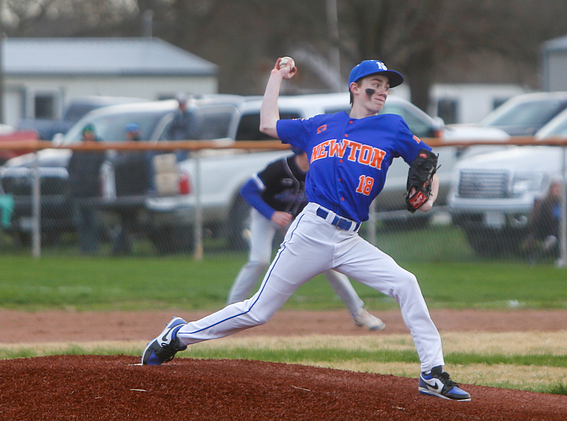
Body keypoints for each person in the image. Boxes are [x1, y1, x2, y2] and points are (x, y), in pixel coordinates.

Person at [142, 59, 471, 401]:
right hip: (312, 231)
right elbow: (268, 123)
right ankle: (176, 337)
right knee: (258, 311)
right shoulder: (321, 125)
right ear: (355, 88)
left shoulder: (392, 126)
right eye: (376, 83)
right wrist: (276, 78)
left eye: (387, 86)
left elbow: (426, 161)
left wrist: (429, 199)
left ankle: (432, 374)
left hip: (349, 238)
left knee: (406, 283)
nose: (383, 91)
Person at [227, 146, 385, 330]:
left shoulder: (321, 171)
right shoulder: (280, 167)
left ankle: (358, 312)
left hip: (296, 221)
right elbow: (248, 190)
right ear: (303, 150)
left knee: (330, 262)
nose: (323, 152)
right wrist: (272, 214)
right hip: (266, 215)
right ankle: (230, 310)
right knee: (259, 261)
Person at [111, 123, 154, 255]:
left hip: (137, 192)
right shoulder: (124, 149)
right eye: (129, 133)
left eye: (133, 133)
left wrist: (150, 188)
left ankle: (121, 248)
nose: (131, 135)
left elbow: (147, 170)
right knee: (126, 221)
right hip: (124, 193)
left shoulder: (141, 149)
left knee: (131, 221)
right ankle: (122, 248)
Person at [67, 124, 105, 254]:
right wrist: (74, 184)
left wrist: (93, 183)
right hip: (79, 192)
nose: (89, 135)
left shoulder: (99, 149)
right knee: (81, 221)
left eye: (90, 132)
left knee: (92, 220)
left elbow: (102, 169)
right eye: (86, 133)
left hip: (93, 192)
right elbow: (70, 168)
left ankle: (93, 247)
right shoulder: (78, 150)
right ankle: (84, 247)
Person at [521, 181, 567, 262]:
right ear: (551, 190)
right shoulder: (545, 203)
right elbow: (541, 220)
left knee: (559, 227)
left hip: (563, 229)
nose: (557, 190)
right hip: (546, 228)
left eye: (559, 188)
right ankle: (536, 254)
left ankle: (557, 254)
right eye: (555, 188)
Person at [168, 94, 197, 161]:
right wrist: (172, 142)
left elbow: (193, 132)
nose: (181, 106)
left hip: (186, 146)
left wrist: (181, 141)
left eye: (182, 104)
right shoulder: (177, 116)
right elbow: (170, 131)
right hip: (176, 145)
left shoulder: (191, 117)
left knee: (180, 157)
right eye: (180, 104)